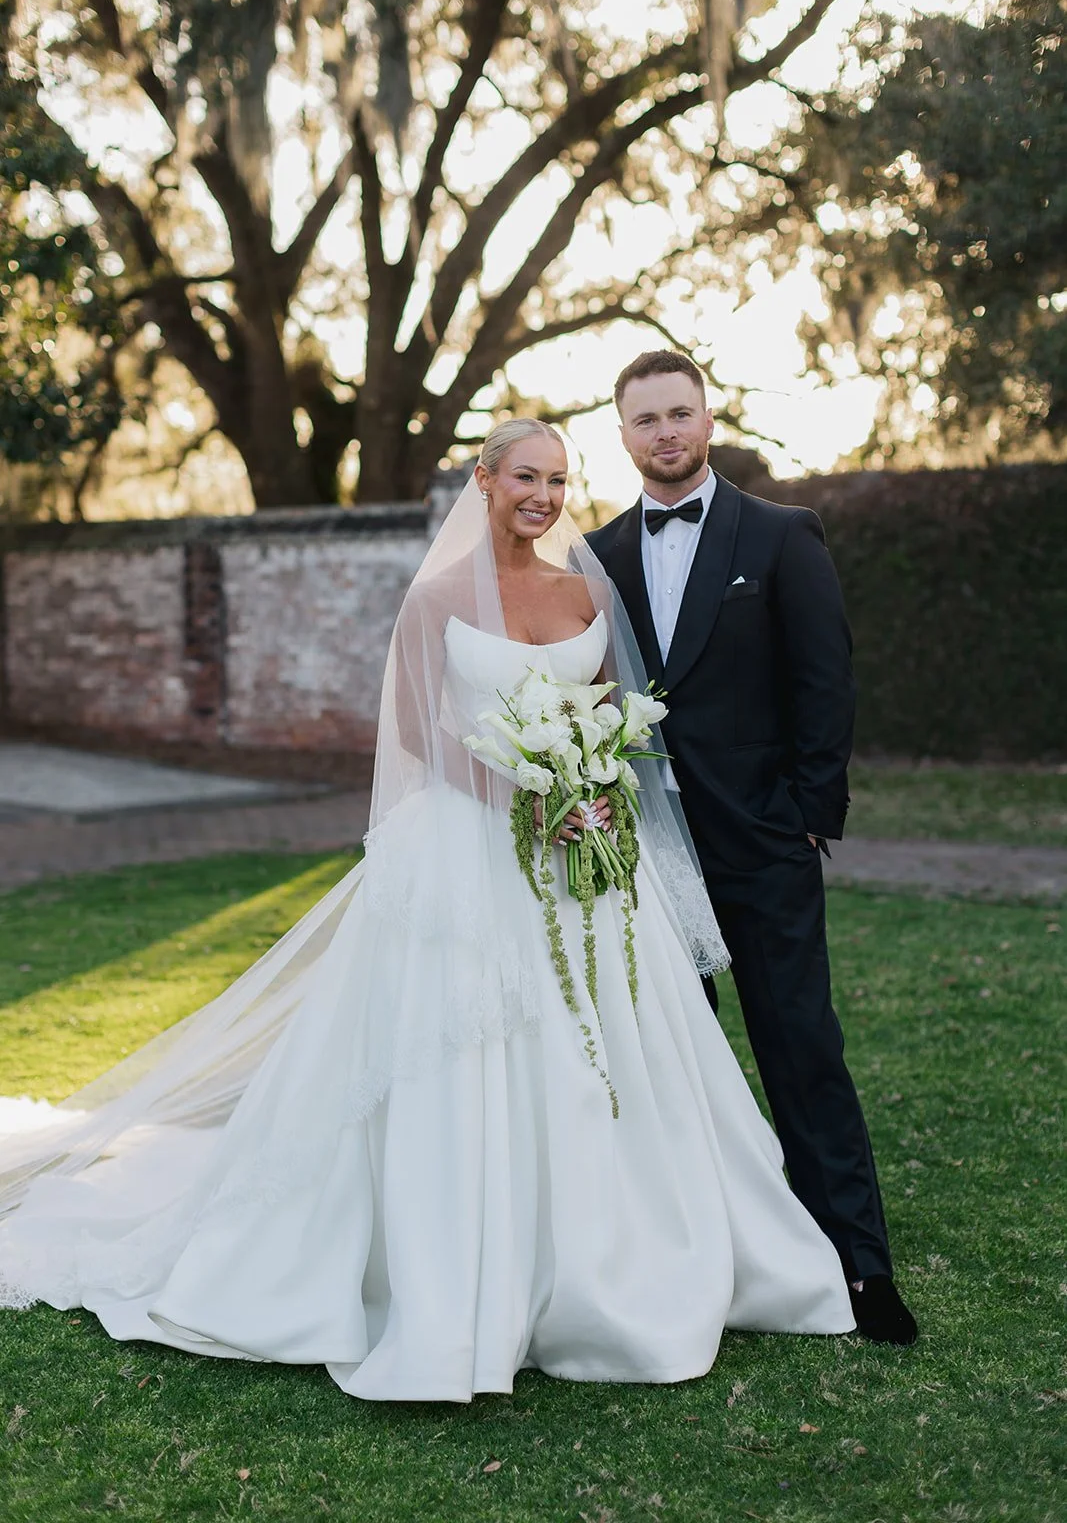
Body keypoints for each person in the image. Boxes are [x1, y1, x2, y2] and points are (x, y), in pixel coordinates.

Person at [0, 419, 856, 1401]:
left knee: (611, 1046)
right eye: (524, 476)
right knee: (465, 1061)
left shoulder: (585, 590)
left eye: (558, 480)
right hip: (469, 853)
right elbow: (417, 733)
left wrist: (588, 782)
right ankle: (465, 1270)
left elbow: (617, 710)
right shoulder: (436, 597)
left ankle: (617, 1259)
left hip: (585, 853)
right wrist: (526, 789)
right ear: (484, 481)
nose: (542, 494)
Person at [586, 351, 918, 1347]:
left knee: (800, 1050)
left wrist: (811, 811)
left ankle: (859, 1266)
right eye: (644, 418)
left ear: (707, 415)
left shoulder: (780, 536)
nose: (665, 432)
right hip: (647, 858)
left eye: (678, 412)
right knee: (669, 1066)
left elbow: (825, 679)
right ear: (623, 433)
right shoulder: (594, 554)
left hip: (761, 844)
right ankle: (695, 1257)